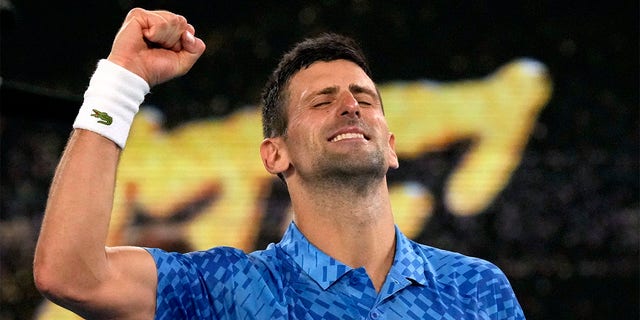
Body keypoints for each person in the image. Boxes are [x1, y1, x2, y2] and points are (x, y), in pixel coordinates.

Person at [33, 7, 525, 320]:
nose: (350, 107)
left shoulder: (476, 288)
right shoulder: (227, 289)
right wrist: (121, 82)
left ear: (391, 145)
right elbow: (71, 274)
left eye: (364, 98)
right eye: (321, 101)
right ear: (275, 153)